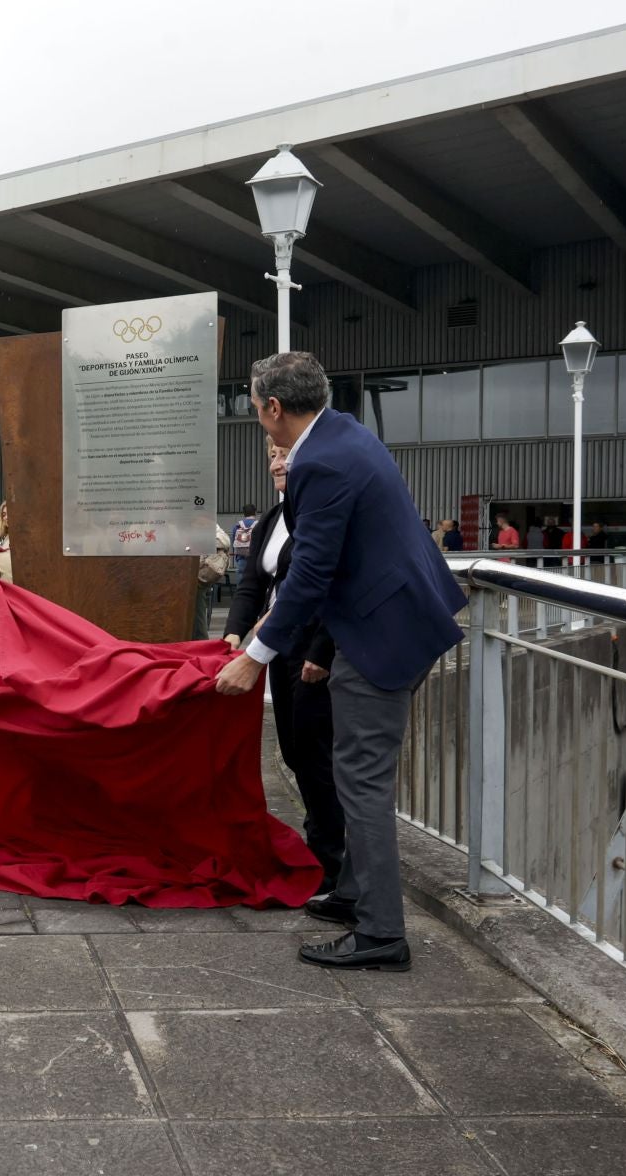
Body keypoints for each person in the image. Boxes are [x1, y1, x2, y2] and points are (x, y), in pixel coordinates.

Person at [215, 351, 466, 973]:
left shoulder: (320, 463)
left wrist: (254, 655)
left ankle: (381, 933)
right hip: (400, 619)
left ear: (274, 407)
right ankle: (355, 892)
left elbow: (308, 575)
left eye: (255, 409)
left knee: (361, 779)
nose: (258, 421)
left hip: (382, 635)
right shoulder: (346, 432)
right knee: (355, 770)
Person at [223, 442, 345, 893]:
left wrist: (321, 651)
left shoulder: (317, 514)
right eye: (271, 454)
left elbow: (330, 583)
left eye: (285, 454)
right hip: (279, 646)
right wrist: (233, 635)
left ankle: (330, 864)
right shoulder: (274, 520)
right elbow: (252, 582)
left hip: (312, 650)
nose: (276, 462)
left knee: (315, 755)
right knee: (293, 750)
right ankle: (323, 854)